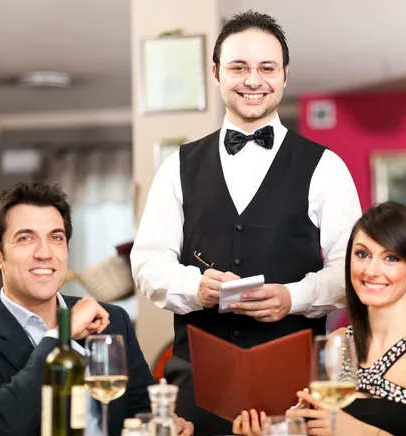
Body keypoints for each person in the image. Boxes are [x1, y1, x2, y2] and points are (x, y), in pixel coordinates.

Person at [130, 9, 361, 436]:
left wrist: (292, 297)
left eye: (266, 68)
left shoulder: (327, 168)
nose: (253, 80)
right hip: (197, 383)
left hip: (295, 389)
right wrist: (194, 288)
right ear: (216, 73)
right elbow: (147, 264)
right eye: (238, 67)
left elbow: (351, 271)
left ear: (285, 75)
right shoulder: (176, 167)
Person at [0, 182, 193, 436]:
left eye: (56, 237)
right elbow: (1, 424)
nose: (44, 253)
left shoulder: (112, 320)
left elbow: (140, 413)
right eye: (26, 238)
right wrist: (60, 335)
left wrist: (165, 425)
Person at [233, 202, 406, 436]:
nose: (370, 271)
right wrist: (271, 431)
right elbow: (319, 428)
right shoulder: (337, 343)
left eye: (391, 258)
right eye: (362, 254)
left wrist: (365, 433)